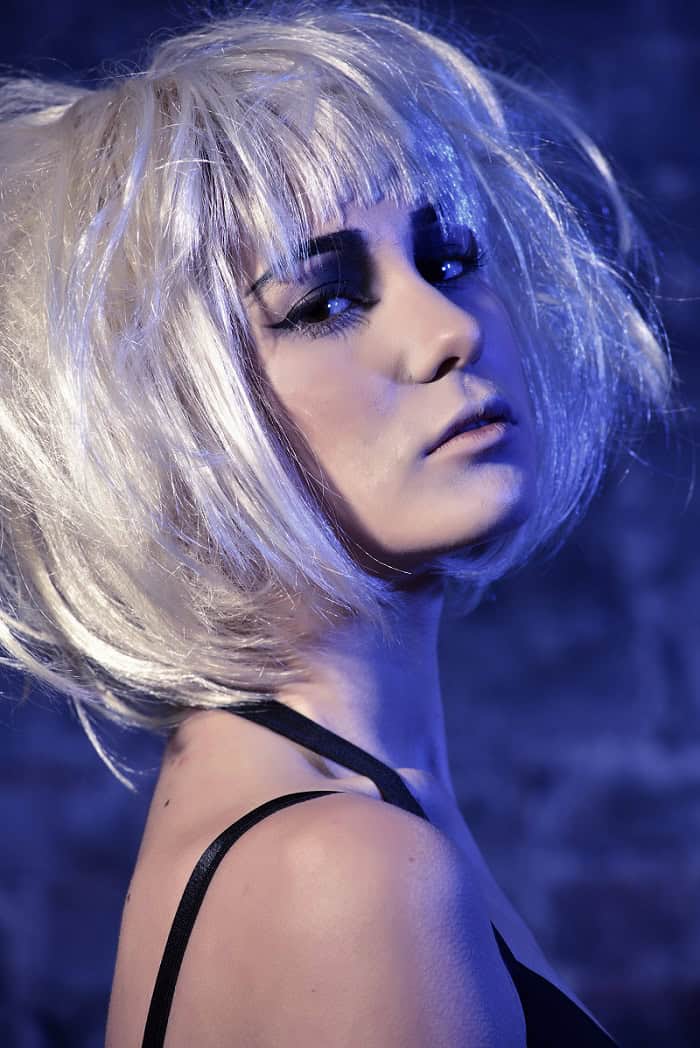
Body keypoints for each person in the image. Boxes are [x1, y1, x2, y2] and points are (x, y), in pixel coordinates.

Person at [0, 1, 680, 1044]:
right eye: (323, 302)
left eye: (446, 258)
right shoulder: (348, 872)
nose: (448, 329)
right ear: (166, 413)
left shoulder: (332, 820)